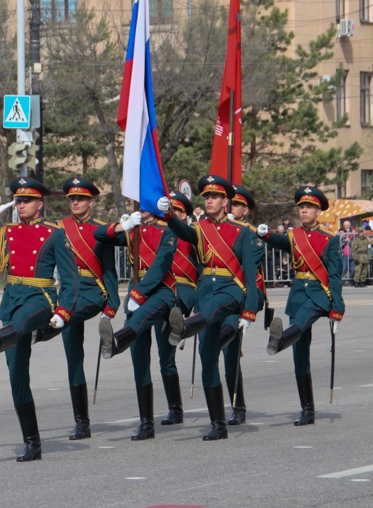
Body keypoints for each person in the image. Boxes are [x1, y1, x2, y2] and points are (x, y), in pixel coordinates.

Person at [0, 177, 79, 462]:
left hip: (40, 297)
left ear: (40, 204)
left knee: (24, 321)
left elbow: (71, 278)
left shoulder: (54, 233)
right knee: (17, 376)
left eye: (26, 201)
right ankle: (32, 443)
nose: (21, 205)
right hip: (12, 299)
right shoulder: (8, 232)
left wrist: (64, 312)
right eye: (17, 201)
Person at [159, 175, 258, 441]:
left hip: (230, 290)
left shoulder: (241, 231)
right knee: (207, 358)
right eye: (206, 197)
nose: (209, 200)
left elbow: (250, 274)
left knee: (213, 311)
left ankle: (184, 328)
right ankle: (218, 424)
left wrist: (250, 310)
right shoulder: (200, 228)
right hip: (206, 292)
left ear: (225, 201)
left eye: (214, 196)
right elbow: (183, 232)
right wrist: (168, 215)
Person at [38, 177, 120, 441]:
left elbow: (109, 268)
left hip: (92, 291)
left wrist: (112, 304)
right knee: (74, 358)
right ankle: (82, 423)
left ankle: (40, 332)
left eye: (81, 198)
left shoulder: (100, 229)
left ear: (90, 202)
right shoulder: (59, 228)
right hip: (67, 294)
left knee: (66, 318)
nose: (75, 202)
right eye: (72, 198)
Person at [257, 186, 344, 427]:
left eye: (309, 207)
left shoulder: (329, 238)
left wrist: (337, 309)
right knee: (300, 355)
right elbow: (279, 241)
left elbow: (335, 275)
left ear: (318, 211)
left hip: (318, 294)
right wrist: (264, 234)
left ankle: (280, 341)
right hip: (298, 294)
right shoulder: (294, 235)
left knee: (300, 323)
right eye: (302, 207)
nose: (304, 211)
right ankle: (307, 409)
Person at [95, 204, 179, 442]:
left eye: (146, 205)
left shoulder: (167, 231)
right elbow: (99, 235)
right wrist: (123, 226)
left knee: (145, 326)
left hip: (161, 290)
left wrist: (139, 293)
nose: (142, 209)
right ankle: (146, 424)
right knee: (139, 358)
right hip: (136, 290)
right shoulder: (134, 231)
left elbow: (161, 265)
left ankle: (115, 342)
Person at [221, 184, 269, 426]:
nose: (234, 207)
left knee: (231, 354)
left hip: (242, 296)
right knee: (222, 350)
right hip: (220, 295)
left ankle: (238, 407)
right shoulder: (218, 231)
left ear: (246, 210)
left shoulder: (251, 234)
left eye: (238, 205)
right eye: (232, 203)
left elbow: (248, 269)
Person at [160, 190, 199, 426]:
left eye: (177, 211)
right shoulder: (159, 234)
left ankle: (181, 325)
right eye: (170, 209)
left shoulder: (193, 236)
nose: (172, 213)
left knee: (173, 310)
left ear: (184, 215)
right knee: (165, 358)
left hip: (184, 290)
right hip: (162, 289)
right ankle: (174, 409)